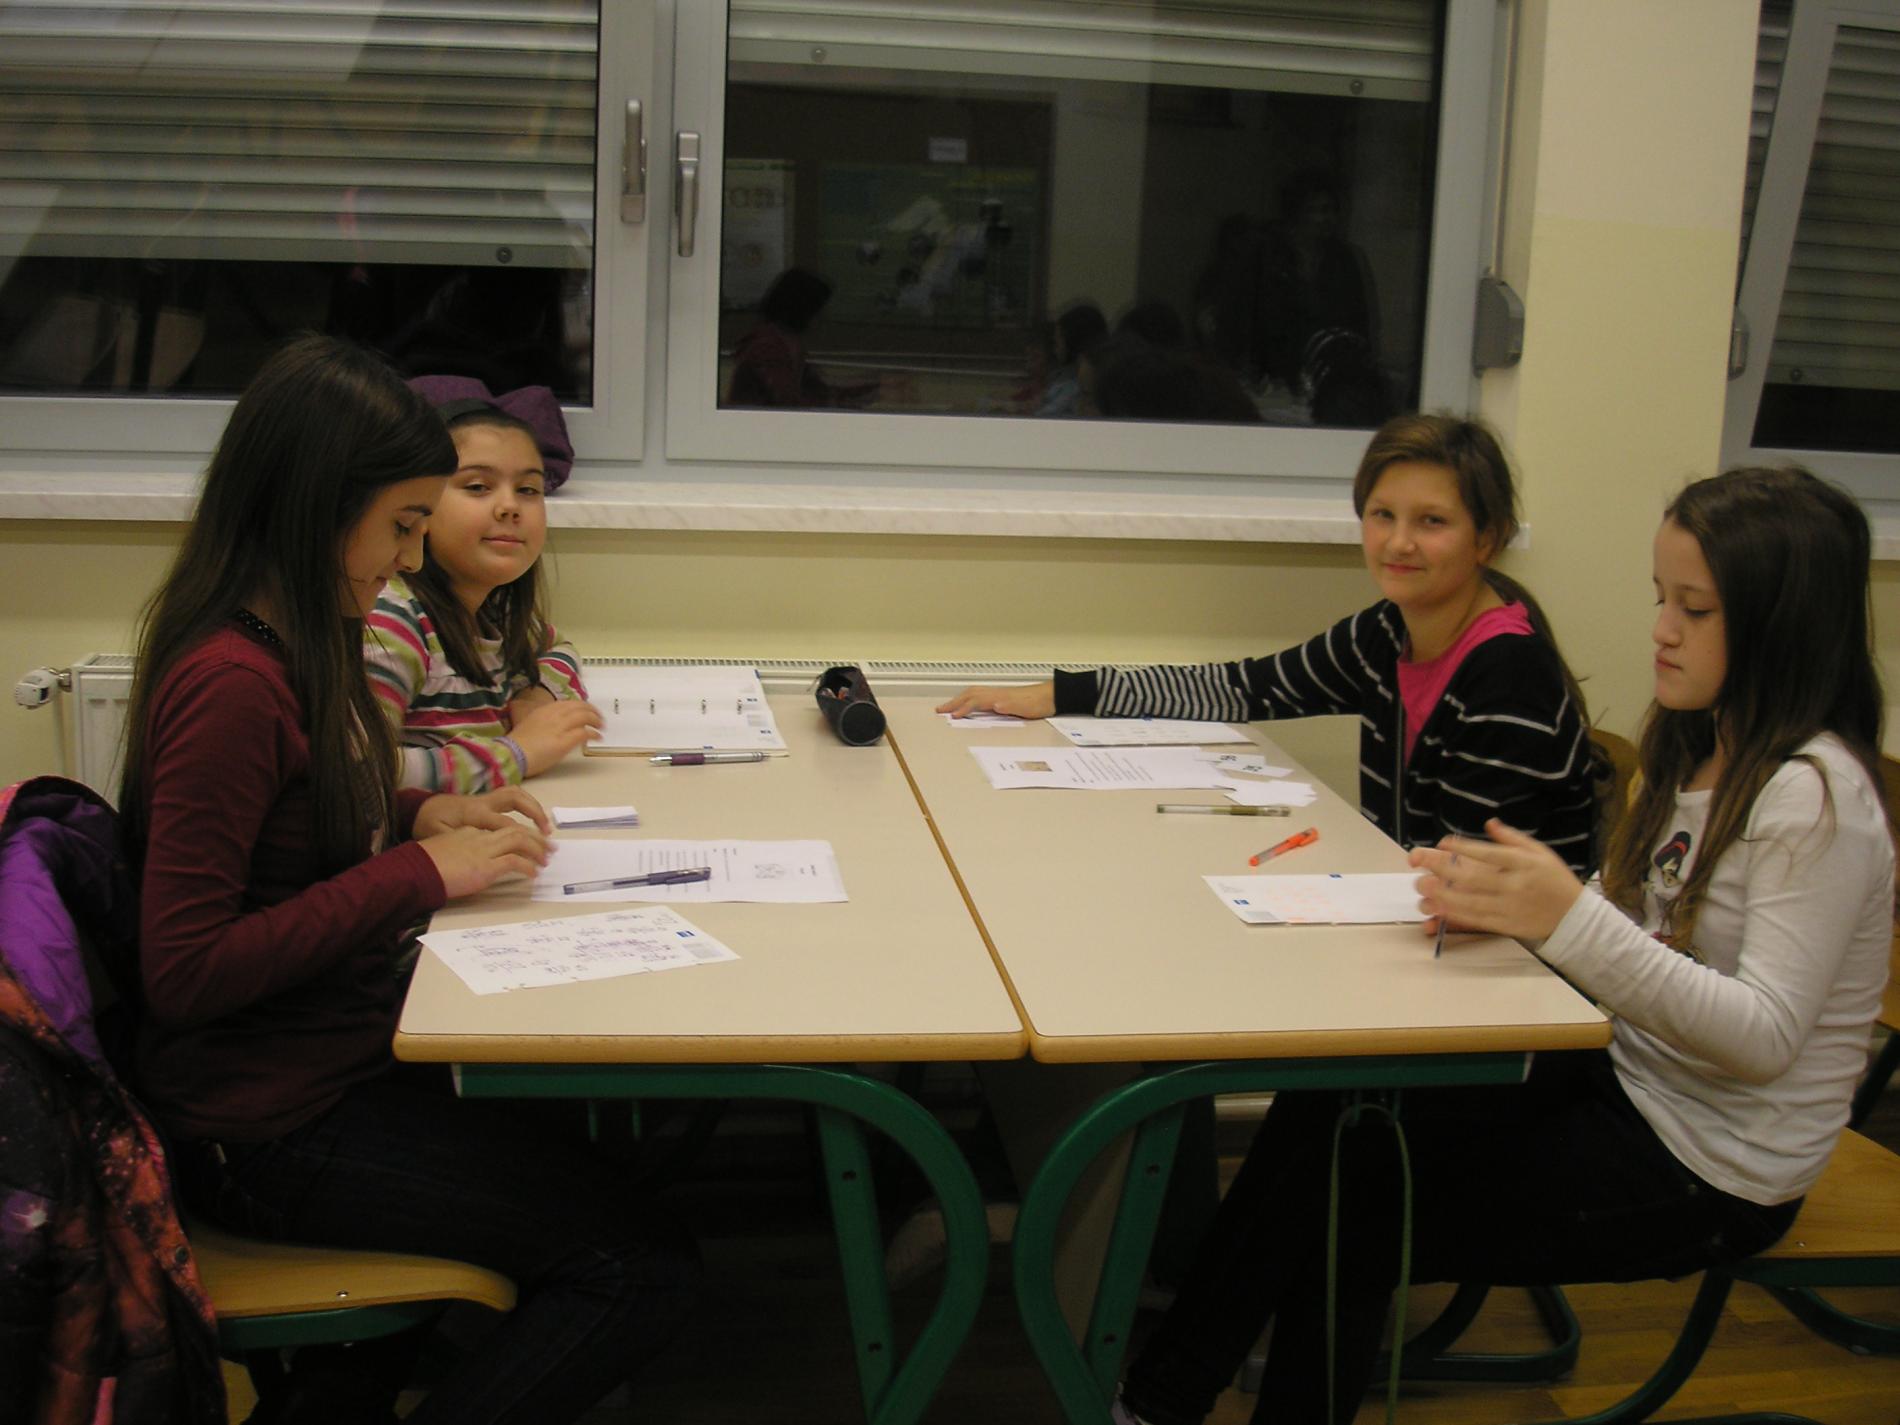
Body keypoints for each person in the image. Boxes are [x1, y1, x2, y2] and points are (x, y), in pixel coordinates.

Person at [1111, 465, 1894, 1425]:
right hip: (1625, 1078)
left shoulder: (1815, 798)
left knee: (1356, 1209)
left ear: (1784, 627)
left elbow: (1764, 1037)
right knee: (1342, 1107)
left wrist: (1565, 916)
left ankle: (1162, 1398)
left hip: (1712, 1165)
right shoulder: (1698, 741)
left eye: (1695, 610)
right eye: (1661, 598)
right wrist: (1509, 900)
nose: (1660, 629)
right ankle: (1160, 1397)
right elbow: (1641, 916)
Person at [119, 334, 696, 1425]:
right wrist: (418, 870)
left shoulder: (293, 637)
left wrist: (412, 810)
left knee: (599, 1161)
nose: (408, 554)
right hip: (266, 1121)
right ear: (315, 508)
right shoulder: (231, 681)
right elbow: (186, 970)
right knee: (641, 1265)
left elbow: (296, 814)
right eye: (400, 524)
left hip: (331, 1060)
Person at [939, 413, 1599, 870]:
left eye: (1432, 522)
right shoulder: (1386, 634)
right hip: (1429, 928)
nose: (1399, 542)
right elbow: (1241, 688)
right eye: (1383, 515)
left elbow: (1471, 883)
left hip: (1519, 978)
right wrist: (1060, 693)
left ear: (1488, 537)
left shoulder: (1507, 676)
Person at [365, 376, 602, 792]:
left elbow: (560, 649)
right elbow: (363, 769)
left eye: (528, 489)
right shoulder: (392, 622)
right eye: (478, 487)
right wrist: (517, 753)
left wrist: (539, 696)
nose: (510, 506)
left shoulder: (493, 615)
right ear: (418, 504)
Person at [725, 267, 877, 409]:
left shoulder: (785, 342)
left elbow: (815, 389)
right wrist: (842, 401)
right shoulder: (768, 347)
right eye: (818, 309)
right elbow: (789, 401)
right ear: (803, 309)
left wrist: (860, 391)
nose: (822, 316)